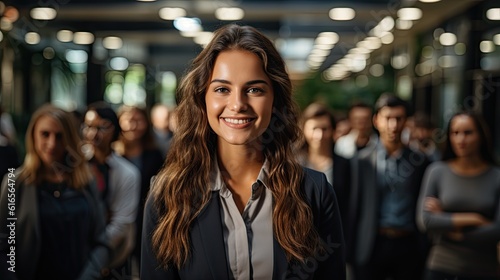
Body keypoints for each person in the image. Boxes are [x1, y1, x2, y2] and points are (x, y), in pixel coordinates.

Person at [141, 24, 346, 279]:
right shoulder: (167, 196)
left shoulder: (314, 193)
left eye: (254, 89)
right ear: (202, 98)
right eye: (222, 89)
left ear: (275, 98)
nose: (237, 104)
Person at [0, 104, 109, 280]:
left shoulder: (86, 181)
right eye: (45, 134)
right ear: (33, 136)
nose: (52, 144)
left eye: (60, 136)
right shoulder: (14, 183)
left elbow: (100, 242)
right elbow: (5, 246)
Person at [351, 94, 430, 280]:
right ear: (376, 120)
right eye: (388, 118)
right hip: (372, 243)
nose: (393, 125)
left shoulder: (420, 161)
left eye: (398, 119)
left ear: (406, 121)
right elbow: (353, 208)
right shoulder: (361, 161)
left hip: (408, 243)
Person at [417, 111, 500, 279]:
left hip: (484, 270)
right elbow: (424, 221)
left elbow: (497, 230)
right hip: (441, 267)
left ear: (481, 135)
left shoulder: (496, 177)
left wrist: (447, 225)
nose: (461, 139)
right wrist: (473, 219)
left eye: (468, 133)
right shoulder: (437, 171)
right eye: (455, 133)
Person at [82, 102, 141, 278]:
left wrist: (95, 251)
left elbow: (121, 224)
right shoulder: (74, 162)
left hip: (113, 258)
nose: (93, 134)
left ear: (114, 130)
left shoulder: (127, 173)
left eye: (102, 128)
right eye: (88, 126)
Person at [113, 105, 164, 271]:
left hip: (145, 219)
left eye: (138, 120)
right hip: (117, 219)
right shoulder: (113, 155)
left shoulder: (155, 154)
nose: (133, 125)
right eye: (128, 120)